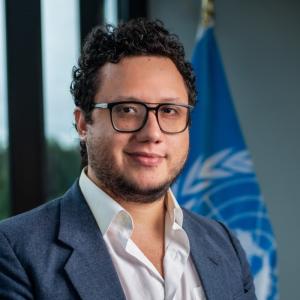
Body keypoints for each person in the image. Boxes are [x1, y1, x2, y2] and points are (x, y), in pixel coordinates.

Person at [0, 19, 256, 300]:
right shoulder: (15, 252)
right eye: (128, 109)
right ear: (83, 124)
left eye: (169, 111)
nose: (152, 133)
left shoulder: (225, 245)